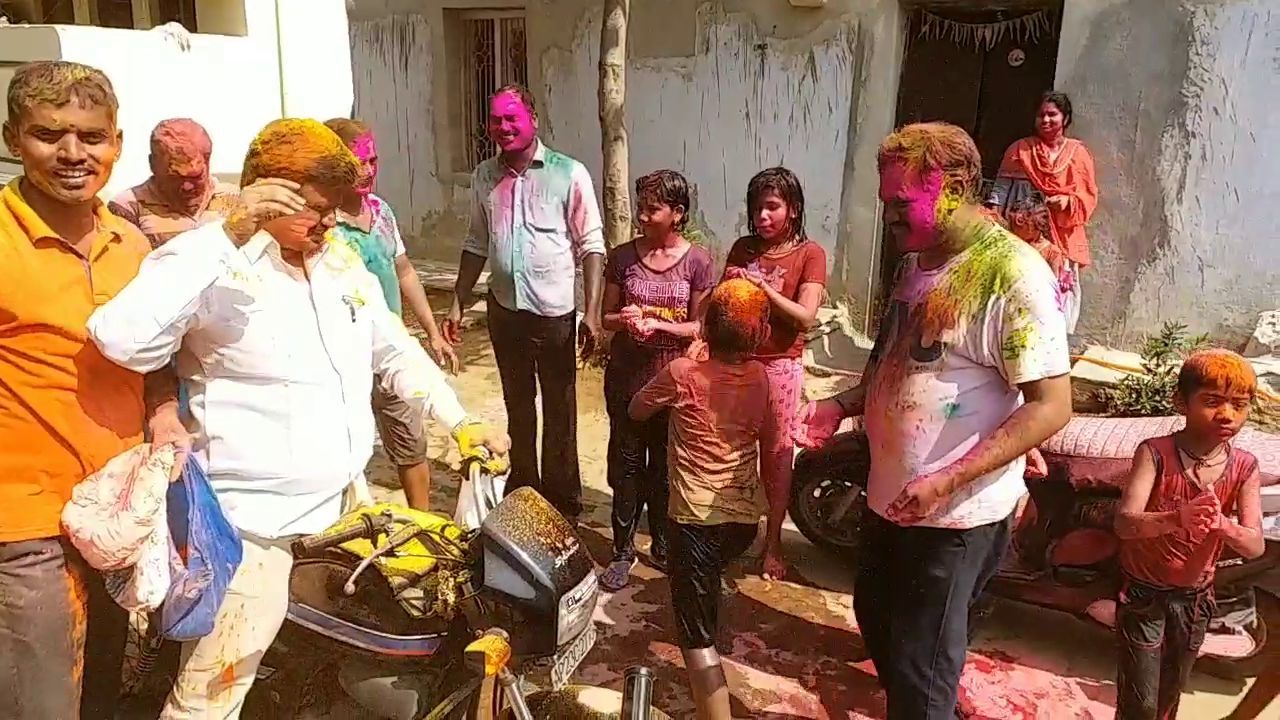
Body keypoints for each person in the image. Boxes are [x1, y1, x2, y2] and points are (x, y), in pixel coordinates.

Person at [86, 118, 510, 719]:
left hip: (341, 514)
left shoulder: (336, 263)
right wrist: (230, 232)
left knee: (327, 674)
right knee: (213, 693)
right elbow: (121, 339)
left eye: (337, 208)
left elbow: (393, 349)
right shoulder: (214, 260)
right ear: (268, 195)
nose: (331, 222)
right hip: (251, 527)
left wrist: (458, 419)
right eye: (315, 209)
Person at [794, 122, 1073, 719]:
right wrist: (838, 406)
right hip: (889, 498)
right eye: (886, 203)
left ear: (956, 186)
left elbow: (1053, 405)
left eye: (902, 203)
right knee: (877, 619)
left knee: (924, 675)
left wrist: (947, 478)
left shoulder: (1013, 275)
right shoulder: (916, 263)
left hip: (952, 516)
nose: (889, 216)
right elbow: (891, 361)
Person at [0, 60, 187, 720]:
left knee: (102, 689)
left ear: (115, 142)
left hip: (114, 510)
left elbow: (156, 355)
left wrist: (163, 408)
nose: (73, 153)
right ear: (11, 139)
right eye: (50, 134)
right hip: (23, 518)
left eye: (91, 136)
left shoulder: (131, 245)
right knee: (40, 700)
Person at [442, 83, 605, 524]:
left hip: (554, 315)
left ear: (533, 117)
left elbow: (591, 245)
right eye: (496, 119)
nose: (503, 127)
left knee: (559, 407)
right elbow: (477, 242)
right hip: (504, 310)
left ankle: (564, 500)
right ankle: (525, 488)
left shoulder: (568, 173)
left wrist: (589, 312)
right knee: (517, 403)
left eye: (512, 117)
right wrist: (458, 301)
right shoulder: (484, 176)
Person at [629, 278, 776, 720]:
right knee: (707, 593)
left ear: (705, 329)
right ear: (760, 334)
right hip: (744, 522)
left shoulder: (682, 375)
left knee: (696, 639)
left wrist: (691, 363)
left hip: (695, 522)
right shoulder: (761, 377)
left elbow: (637, 408)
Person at [1114, 349, 1265, 720]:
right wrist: (1177, 518)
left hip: (1195, 600)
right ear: (1181, 402)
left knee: (1170, 694)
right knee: (1140, 700)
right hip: (1143, 594)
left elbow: (1255, 546)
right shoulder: (1155, 454)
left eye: (1239, 405)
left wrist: (1223, 525)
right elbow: (1124, 523)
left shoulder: (1244, 467)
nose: (1227, 414)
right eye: (1212, 401)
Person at [324, 117, 459, 511]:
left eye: (373, 160)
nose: (368, 170)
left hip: (391, 352)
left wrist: (432, 332)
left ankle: (422, 523)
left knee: (410, 442)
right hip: (344, 357)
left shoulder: (381, 212)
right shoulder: (324, 225)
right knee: (347, 449)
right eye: (358, 162)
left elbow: (404, 271)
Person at [599, 169, 714, 590]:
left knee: (665, 467)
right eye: (641, 207)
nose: (642, 217)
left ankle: (663, 547)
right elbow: (605, 317)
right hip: (627, 376)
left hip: (672, 381)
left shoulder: (698, 262)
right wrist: (625, 320)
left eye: (653, 209)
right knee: (626, 465)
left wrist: (659, 327)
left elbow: (701, 327)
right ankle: (622, 550)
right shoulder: (622, 257)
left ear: (677, 214)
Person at [721, 167, 826, 579]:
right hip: (736, 363)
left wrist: (761, 289)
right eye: (756, 207)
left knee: (777, 456)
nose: (762, 216)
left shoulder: (810, 254)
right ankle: (729, 536)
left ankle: (773, 545)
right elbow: (721, 306)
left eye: (772, 207)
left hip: (780, 367)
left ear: (793, 211)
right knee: (730, 454)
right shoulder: (743, 249)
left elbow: (804, 316)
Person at [987, 91, 1098, 334]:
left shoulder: (1079, 154)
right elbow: (1000, 190)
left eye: (1052, 115)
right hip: (1021, 235)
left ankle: (1053, 346)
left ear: (1065, 119)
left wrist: (1066, 201)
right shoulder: (1020, 151)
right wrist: (995, 223)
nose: (1045, 120)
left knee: (1056, 294)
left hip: (1061, 236)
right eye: (1040, 116)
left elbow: (1088, 196)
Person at [109, 117, 239, 248]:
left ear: (208, 163)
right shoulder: (128, 207)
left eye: (195, 177)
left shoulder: (234, 199)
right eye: (175, 178)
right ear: (153, 164)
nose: (187, 187)